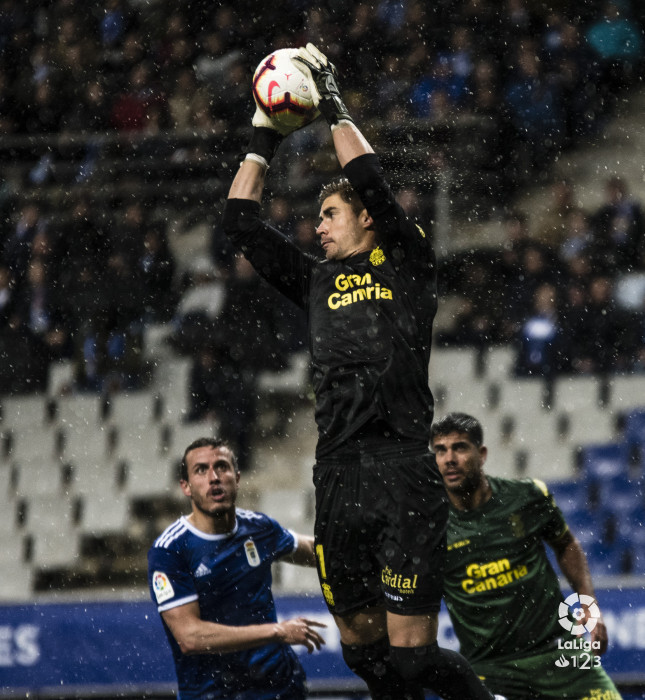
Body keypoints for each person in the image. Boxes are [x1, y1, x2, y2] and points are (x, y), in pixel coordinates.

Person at [222, 43, 503, 700]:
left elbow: (371, 179)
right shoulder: (313, 281)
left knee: (410, 660)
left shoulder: (406, 262)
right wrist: (263, 135)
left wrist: (334, 107)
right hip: (338, 472)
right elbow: (240, 222)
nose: (317, 228)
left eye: (328, 215)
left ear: (366, 219)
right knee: (365, 658)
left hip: (402, 468)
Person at [431, 412, 623, 700]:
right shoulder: (429, 526)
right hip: (490, 670)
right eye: (440, 450)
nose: (449, 459)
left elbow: (566, 544)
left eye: (459, 447)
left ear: (481, 454)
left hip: (559, 653)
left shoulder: (526, 497)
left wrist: (589, 606)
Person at [147, 437, 325, 699]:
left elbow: (314, 552)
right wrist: (278, 632)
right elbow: (190, 637)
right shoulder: (170, 551)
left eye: (221, 466)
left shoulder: (260, 528)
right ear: (186, 487)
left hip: (280, 687)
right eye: (201, 470)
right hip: (214, 693)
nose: (214, 477)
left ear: (237, 477)